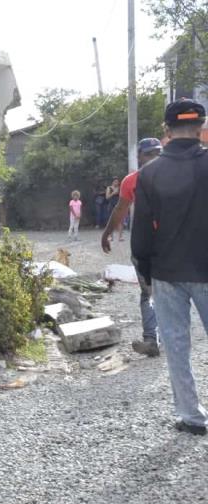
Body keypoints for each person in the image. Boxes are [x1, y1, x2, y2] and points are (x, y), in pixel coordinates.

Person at [132, 98, 208, 436]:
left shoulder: (149, 174)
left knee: (177, 345)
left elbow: (142, 230)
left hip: (166, 271)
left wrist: (144, 272)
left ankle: (191, 417)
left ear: (166, 131)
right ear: (201, 127)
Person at [102, 137, 163, 357]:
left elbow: (120, 209)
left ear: (139, 156)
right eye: (152, 154)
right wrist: (107, 233)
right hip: (171, 245)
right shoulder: (177, 175)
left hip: (146, 245)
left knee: (150, 295)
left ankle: (152, 339)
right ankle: (164, 339)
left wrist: (107, 233)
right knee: (168, 293)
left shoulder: (133, 180)